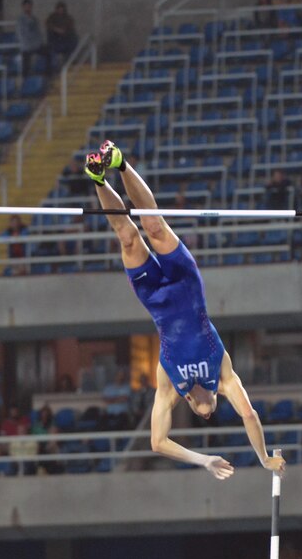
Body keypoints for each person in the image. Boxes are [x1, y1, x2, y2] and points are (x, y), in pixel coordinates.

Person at [84, 140, 286, 479]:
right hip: (186, 286)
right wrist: (263, 458)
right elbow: (249, 415)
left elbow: (158, 442)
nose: (207, 412)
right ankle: (119, 162)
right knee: (154, 225)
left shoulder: (168, 385)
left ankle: (97, 178)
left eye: (202, 414)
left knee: (128, 237)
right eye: (212, 412)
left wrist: (204, 460)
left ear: (191, 405)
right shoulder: (223, 377)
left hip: (154, 298)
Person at [17, 0, 46, 76]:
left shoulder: (35, 19)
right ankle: (25, 80)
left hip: (36, 45)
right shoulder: (21, 20)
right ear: (23, 7)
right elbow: (21, 34)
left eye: (29, 6)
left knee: (48, 53)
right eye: (26, 6)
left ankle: (47, 75)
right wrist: (27, 45)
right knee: (25, 63)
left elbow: (38, 33)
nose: (28, 8)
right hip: (26, 46)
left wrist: (39, 43)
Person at [46, 1, 78, 67]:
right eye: (59, 9)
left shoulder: (68, 18)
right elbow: (48, 25)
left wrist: (64, 31)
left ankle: (68, 64)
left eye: (62, 9)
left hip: (65, 40)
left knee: (73, 43)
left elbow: (71, 28)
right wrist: (57, 29)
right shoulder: (52, 17)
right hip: (55, 40)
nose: (61, 11)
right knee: (52, 51)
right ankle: (54, 68)